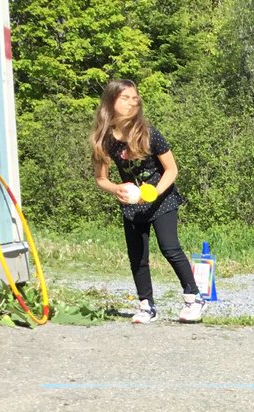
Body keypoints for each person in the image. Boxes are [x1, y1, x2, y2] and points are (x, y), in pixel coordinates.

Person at [90, 79, 205, 325]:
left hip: (161, 201)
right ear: (110, 102)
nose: (132, 103)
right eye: (125, 98)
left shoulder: (149, 133)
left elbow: (172, 170)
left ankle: (194, 298)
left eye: (135, 98)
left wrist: (151, 193)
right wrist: (116, 188)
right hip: (132, 206)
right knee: (137, 256)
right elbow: (101, 179)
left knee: (170, 248)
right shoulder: (104, 139)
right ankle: (147, 306)